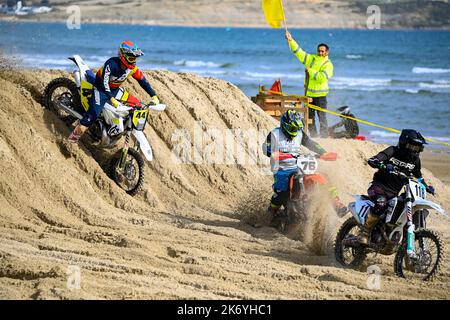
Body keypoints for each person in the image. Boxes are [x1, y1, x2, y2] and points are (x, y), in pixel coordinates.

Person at [262, 110, 346, 223]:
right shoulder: (274, 134)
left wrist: (324, 153)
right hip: (282, 169)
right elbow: (266, 148)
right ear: (285, 125)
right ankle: (270, 213)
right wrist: (272, 153)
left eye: (297, 128)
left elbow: (311, 143)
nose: (296, 131)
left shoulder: (299, 133)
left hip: (300, 164)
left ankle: (337, 204)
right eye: (293, 128)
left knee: (322, 176)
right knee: (281, 193)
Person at [68, 40, 159, 143]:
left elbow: (143, 81)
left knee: (138, 104)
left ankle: (120, 128)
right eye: (131, 58)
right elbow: (105, 83)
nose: (133, 61)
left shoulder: (133, 68)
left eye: (135, 58)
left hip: (115, 90)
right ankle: (71, 140)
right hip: (101, 89)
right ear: (123, 56)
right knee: (91, 117)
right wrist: (111, 98)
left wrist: (154, 96)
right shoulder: (111, 64)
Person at [357, 129, 435, 245]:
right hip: (378, 188)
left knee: (403, 208)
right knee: (381, 203)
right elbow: (373, 160)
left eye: (417, 148)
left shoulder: (415, 161)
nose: (414, 150)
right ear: (404, 143)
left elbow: (418, 176)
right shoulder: (392, 151)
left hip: (394, 194)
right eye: (412, 146)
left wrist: (426, 186)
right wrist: (382, 165)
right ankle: (365, 231)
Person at [285, 30, 334, 138]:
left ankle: (324, 137)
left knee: (322, 117)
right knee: (309, 117)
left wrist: (310, 71)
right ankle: (314, 137)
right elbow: (299, 52)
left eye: (322, 51)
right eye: (319, 51)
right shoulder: (312, 59)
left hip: (321, 96)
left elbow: (321, 78)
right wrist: (290, 40)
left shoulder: (328, 64)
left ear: (327, 52)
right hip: (309, 95)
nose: (320, 53)